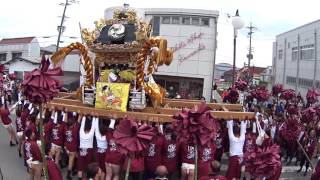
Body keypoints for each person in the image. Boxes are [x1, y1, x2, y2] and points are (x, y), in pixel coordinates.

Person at [64, 111, 80, 180]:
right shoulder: (74, 129)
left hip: (67, 146)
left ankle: (74, 169)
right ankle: (68, 175)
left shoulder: (66, 128)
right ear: (72, 124)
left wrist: (66, 113)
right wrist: (81, 113)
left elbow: (64, 122)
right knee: (71, 160)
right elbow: (78, 121)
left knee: (76, 157)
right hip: (72, 147)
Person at [78, 114, 95, 179]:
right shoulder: (91, 134)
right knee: (87, 167)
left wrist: (84, 117)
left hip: (82, 150)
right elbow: (93, 126)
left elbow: (82, 125)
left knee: (80, 167)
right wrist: (94, 117)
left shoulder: (81, 132)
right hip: (88, 151)